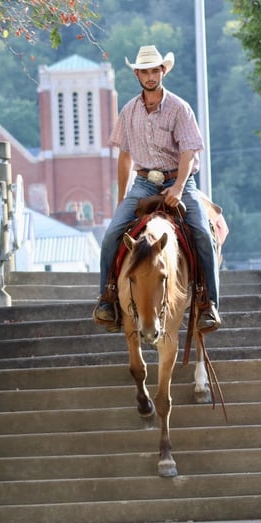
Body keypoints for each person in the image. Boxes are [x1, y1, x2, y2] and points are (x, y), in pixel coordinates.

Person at [93, 45, 221, 334]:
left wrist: (177, 187)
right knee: (112, 233)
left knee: (202, 232)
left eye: (155, 70)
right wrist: (121, 198)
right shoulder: (128, 111)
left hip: (180, 179)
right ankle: (108, 298)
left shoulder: (179, 107)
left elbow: (189, 151)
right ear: (137, 74)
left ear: (163, 71)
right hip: (143, 183)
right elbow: (125, 156)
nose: (150, 76)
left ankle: (208, 302)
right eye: (145, 71)